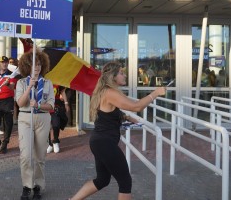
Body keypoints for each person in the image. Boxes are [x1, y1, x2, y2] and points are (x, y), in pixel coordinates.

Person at [68, 61, 166, 200]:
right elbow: (137, 106)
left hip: (99, 142)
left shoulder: (104, 91)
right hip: (104, 143)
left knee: (102, 180)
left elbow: (107, 113)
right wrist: (155, 93)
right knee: (125, 182)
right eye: (121, 72)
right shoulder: (110, 92)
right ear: (113, 76)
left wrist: (125, 117)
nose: (124, 75)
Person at [16, 50, 54, 200]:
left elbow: (51, 105)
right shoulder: (21, 82)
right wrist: (30, 87)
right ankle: (27, 186)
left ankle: (38, 186)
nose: (36, 67)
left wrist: (38, 105)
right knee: (26, 155)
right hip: (25, 119)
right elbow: (20, 103)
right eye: (33, 64)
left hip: (42, 119)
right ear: (27, 66)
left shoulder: (47, 83)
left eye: (38, 64)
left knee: (40, 156)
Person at [0, 56, 17, 154]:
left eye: (6, 62)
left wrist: (7, 85)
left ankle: (5, 143)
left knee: (8, 124)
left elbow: (12, 87)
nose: (4, 64)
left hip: (8, 101)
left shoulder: (11, 75)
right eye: (2, 62)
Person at [47, 85, 70, 154]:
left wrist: (66, 104)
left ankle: (55, 141)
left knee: (56, 124)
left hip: (56, 106)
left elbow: (62, 92)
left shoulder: (57, 79)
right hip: (45, 106)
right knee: (48, 126)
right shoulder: (44, 80)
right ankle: (50, 144)